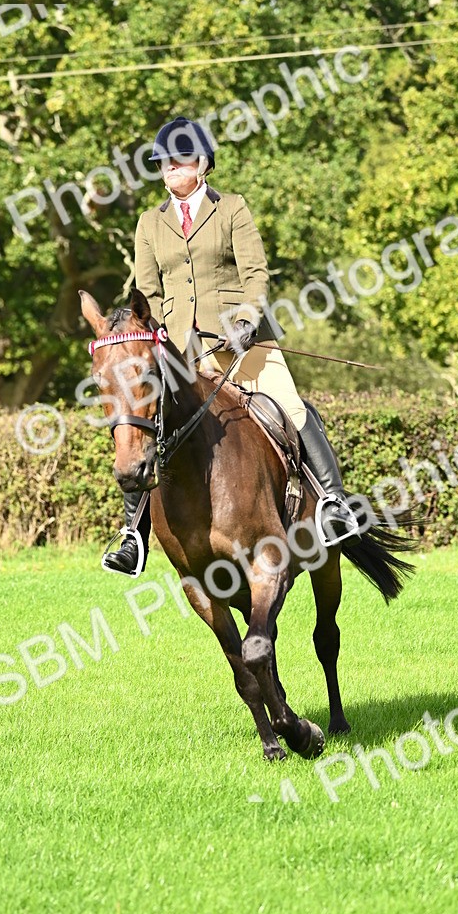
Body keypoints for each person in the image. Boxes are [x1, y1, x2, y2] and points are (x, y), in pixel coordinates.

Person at [102, 116, 358, 576]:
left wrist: (245, 319)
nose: (168, 170)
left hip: (240, 342)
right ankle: (132, 536)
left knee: (291, 406)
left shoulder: (232, 209)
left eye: (177, 162)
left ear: (201, 164)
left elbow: (255, 273)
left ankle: (334, 505)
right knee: (141, 421)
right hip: (179, 350)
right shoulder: (149, 222)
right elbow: (148, 291)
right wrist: (157, 338)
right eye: (162, 163)